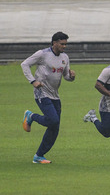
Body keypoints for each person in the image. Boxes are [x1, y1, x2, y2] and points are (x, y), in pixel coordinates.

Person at [21, 32, 76, 164]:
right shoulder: (42, 54)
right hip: (41, 92)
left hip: (55, 95)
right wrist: (33, 81)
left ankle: (39, 156)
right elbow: (25, 64)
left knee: (55, 127)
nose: (64, 46)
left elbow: (66, 76)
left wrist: (71, 77)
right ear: (54, 43)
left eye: (65, 44)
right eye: (62, 44)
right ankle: (31, 116)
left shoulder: (65, 57)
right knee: (53, 120)